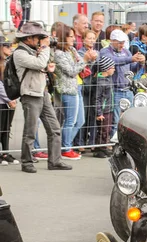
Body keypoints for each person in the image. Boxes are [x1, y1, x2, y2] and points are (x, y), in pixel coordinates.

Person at [13, 22, 72, 173]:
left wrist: (47, 65)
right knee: (30, 131)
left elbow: (41, 65)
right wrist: (45, 49)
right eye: (38, 37)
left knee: (55, 128)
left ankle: (55, 161)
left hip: (42, 93)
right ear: (28, 38)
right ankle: (26, 162)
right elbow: (39, 62)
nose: (40, 40)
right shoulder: (20, 53)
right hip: (30, 95)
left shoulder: (34, 50)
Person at [54, 24, 97, 159]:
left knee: (80, 121)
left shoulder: (71, 50)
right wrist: (85, 60)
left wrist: (88, 59)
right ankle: (65, 148)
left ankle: (62, 146)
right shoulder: (59, 54)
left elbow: (80, 65)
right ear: (63, 37)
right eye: (71, 36)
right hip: (68, 89)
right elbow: (72, 71)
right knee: (70, 121)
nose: (73, 39)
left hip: (77, 87)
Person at [100, 29, 146, 142]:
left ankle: (127, 141)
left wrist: (141, 63)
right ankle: (113, 141)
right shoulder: (105, 51)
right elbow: (113, 60)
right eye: (119, 42)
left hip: (128, 89)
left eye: (123, 42)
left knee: (130, 119)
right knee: (115, 119)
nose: (122, 45)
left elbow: (133, 68)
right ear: (112, 41)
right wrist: (131, 59)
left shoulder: (126, 51)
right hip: (115, 90)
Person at [0, 36, 19, 166]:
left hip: (9, 101)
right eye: (6, 46)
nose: (10, 48)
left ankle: (5, 153)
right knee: (0, 128)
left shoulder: (7, 63)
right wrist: (9, 98)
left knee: (7, 129)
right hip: (2, 101)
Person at [94, 56, 115, 158]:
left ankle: (104, 147)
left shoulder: (109, 78)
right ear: (107, 68)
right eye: (113, 67)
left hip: (109, 108)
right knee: (102, 130)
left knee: (107, 129)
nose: (114, 69)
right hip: (103, 110)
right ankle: (100, 149)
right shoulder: (100, 82)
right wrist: (99, 113)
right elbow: (97, 98)